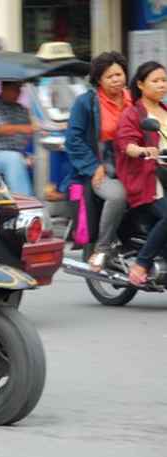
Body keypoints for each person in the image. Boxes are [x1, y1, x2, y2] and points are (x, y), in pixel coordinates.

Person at [64, 51, 130, 271]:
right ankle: (101, 250)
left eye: (119, 74)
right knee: (118, 195)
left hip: (133, 164)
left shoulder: (134, 99)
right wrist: (93, 167)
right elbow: (73, 140)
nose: (116, 79)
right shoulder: (86, 103)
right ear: (99, 80)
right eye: (109, 76)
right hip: (103, 167)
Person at [114, 61, 167, 285]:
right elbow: (126, 144)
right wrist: (143, 150)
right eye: (156, 81)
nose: (162, 85)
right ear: (140, 84)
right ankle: (142, 263)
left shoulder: (165, 111)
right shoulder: (133, 113)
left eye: (164, 80)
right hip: (149, 176)